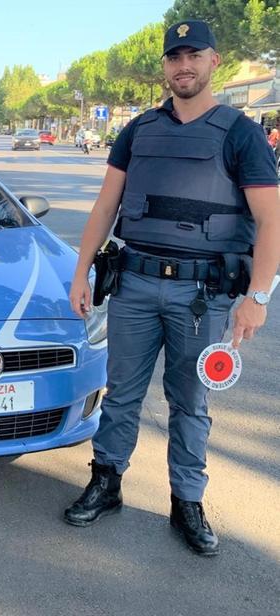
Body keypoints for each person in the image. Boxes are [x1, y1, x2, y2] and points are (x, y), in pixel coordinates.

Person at [62, 20, 280, 556]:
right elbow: (106, 205)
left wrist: (258, 297)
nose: (183, 65)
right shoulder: (137, 130)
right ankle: (106, 483)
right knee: (122, 395)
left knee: (190, 402)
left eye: (194, 55)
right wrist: (81, 269)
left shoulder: (241, 134)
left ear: (214, 61)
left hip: (202, 297)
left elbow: (271, 222)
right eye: (173, 57)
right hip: (134, 284)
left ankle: (187, 502)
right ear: (164, 66)